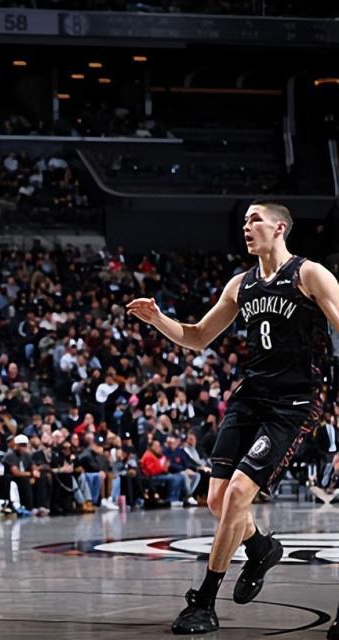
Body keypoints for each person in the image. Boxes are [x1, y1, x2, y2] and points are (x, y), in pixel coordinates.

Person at [127, 200, 339, 636]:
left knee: (239, 494)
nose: (246, 225)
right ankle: (261, 549)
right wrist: (158, 319)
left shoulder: (309, 274)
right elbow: (197, 337)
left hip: (293, 403)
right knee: (217, 501)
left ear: (279, 228)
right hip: (251, 396)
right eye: (243, 220)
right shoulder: (240, 284)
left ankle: (204, 602)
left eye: (255, 219)